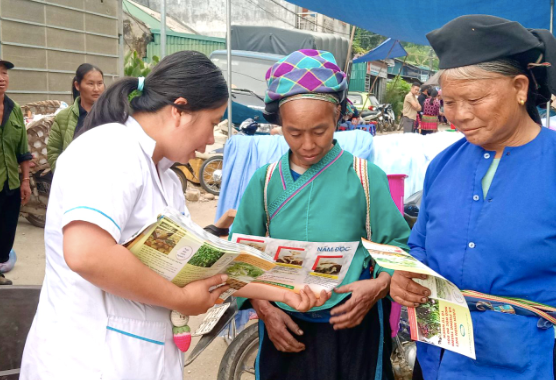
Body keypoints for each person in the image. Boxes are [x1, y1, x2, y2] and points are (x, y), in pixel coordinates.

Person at [20, 51, 324, 380]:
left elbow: (195, 270)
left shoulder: (165, 179)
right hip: (88, 360)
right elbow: (87, 254)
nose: (210, 140)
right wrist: (180, 298)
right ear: (179, 110)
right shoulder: (109, 149)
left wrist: (285, 291)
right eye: (211, 124)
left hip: (138, 358)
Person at [390, 15, 556, 380]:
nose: (459, 116)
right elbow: (420, 248)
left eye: (474, 98)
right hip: (440, 356)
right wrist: (404, 278)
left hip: (531, 361)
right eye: (449, 102)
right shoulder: (443, 165)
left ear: (520, 87)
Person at [231, 49, 411, 380]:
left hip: (352, 323)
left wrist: (379, 285)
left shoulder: (365, 177)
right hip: (285, 325)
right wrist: (264, 308)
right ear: (279, 124)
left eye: (320, 130)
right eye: (294, 132)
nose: (308, 144)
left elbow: (397, 247)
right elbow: (239, 256)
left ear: (338, 117)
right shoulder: (266, 181)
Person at [0, 59, 32, 286]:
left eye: (4, 74)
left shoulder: (15, 110)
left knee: (7, 228)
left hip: (9, 182)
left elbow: (23, 150)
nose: (2, 78)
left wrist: (26, 180)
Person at [47, 63, 104, 171]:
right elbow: (53, 152)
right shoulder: (63, 117)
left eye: (100, 83)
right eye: (90, 84)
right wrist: (64, 176)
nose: (96, 89)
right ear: (77, 85)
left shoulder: (111, 115)